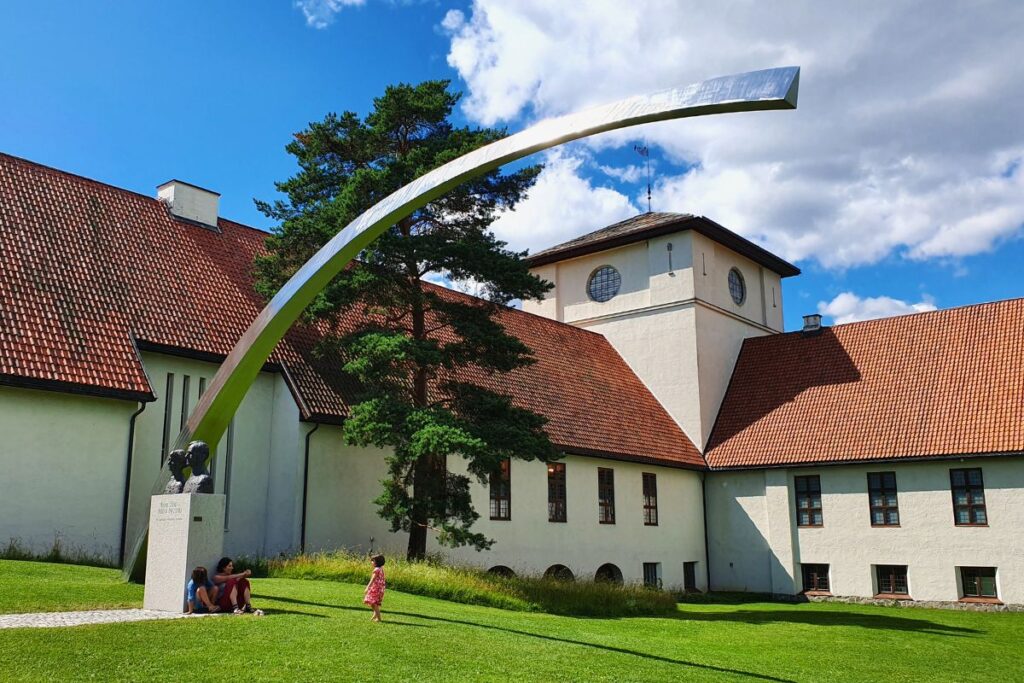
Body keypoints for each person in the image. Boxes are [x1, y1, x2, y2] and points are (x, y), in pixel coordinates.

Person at [363, 554, 386, 622]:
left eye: (373, 561)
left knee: (373, 603)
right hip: (380, 589)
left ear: (377, 562)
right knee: (374, 602)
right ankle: (375, 615)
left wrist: (367, 587)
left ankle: (379, 618)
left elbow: (372, 579)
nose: (371, 562)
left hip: (375, 589)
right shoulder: (381, 569)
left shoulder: (376, 570)